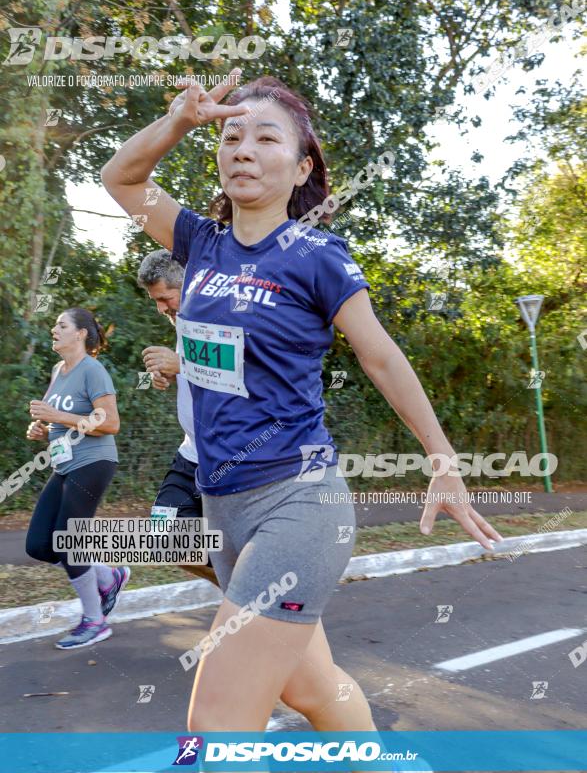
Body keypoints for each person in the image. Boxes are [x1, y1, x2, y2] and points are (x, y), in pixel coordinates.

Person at [101, 69, 503, 732]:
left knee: (215, 728)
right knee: (314, 694)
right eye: (230, 136)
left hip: (297, 502)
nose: (243, 149)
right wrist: (178, 121)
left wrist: (442, 458)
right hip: (221, 506)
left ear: (300, 167)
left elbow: (380, 355)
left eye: (265, 137)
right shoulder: (198, 243)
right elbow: (121, 179)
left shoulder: (315, 255)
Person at [25, 308, 129, 649]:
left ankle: (95, 621)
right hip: (64, 465)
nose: (54, 329)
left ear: (81, 333)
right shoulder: (58, 370)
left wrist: (56, 415)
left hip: (93, 461)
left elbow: (111, 423)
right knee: (40, 544)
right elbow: (60, 419)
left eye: (61, 325)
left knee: (68, 541)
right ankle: (108, 575)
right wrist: (43, 428)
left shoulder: (93, 370)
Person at [137, 249, 218, 587]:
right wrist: (172, 376)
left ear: (185, 284)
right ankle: (242, 594)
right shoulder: (182, 321)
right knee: (164, 537)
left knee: (231, 551)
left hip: (227, 460)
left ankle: (250, 597)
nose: (160, 308)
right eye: (155, 300)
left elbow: (242, 375)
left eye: (164, 298)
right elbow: (202, 379)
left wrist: (181, 365)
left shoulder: (218, 315)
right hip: (190, 456)